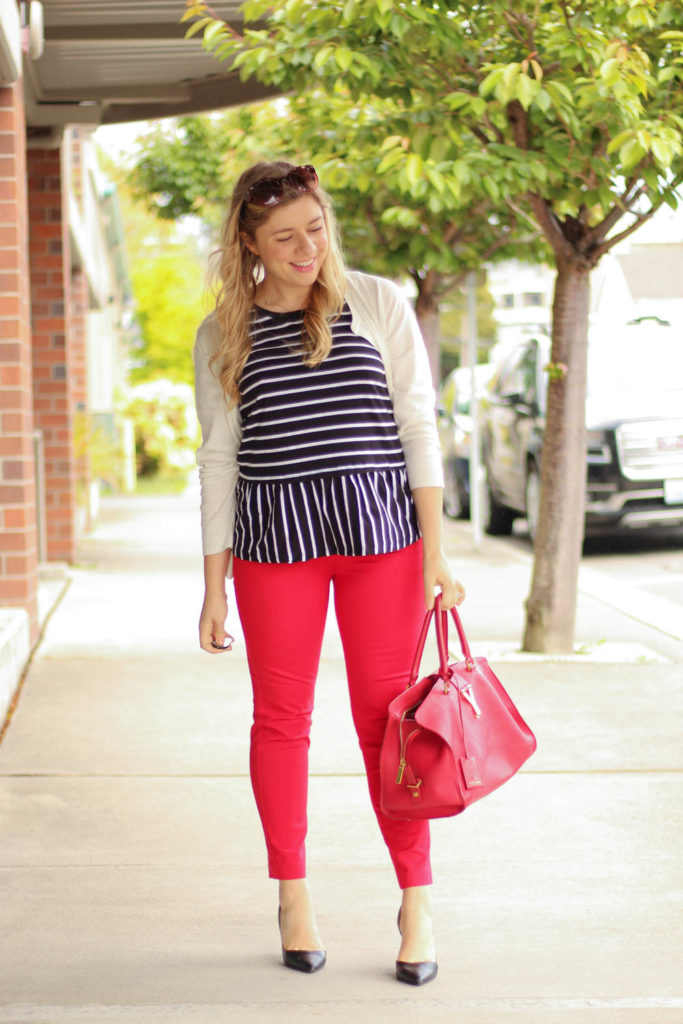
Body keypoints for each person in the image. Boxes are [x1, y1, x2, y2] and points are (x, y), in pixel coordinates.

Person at [193, 160, 465, 986]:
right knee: (281, 720)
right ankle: (292, 892)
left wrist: (437, 549)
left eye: (315, 227)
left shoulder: (376, 303)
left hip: (382, 540)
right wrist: (212, 585)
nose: (306, 247)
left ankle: (415, 898)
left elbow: (417, 423)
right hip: (275, 547)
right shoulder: (222, 334)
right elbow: (218, 458)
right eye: (283, 237)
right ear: (248, 243)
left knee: (388, 723)